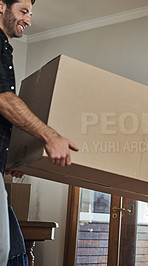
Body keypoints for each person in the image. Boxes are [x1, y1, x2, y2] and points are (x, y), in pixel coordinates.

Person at [0, 0, 79, 264]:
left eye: (30, 14)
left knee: (13, 251)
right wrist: (51, 136)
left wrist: (11, 161)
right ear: (1, 6)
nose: (29, 21)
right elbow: (3, 99)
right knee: (8, 251)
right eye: (23, 11)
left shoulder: (4, 48)